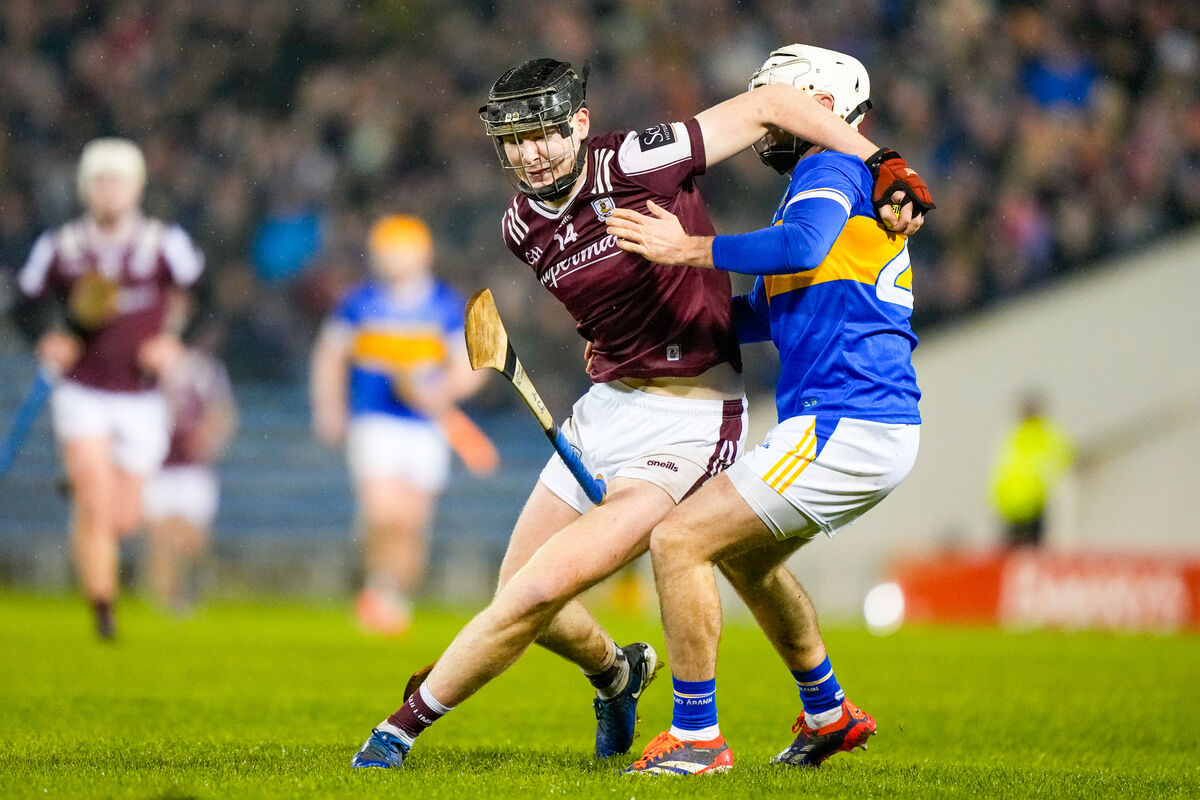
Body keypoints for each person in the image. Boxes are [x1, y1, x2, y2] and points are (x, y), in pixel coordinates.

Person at [351, 56, 930, 770]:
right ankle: (623, 675)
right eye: (516, 140)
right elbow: (744, 310)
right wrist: (621, 344)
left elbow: (770, 114)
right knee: (527, 597)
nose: (532, 154)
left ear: (580, 126)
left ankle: (402, 728)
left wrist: (883, 161)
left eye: (547, 134)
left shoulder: (641, 159)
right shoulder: (518, 226)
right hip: (608, 408)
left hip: (695, 421)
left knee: (615, 564)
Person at [602, 44, 929, 774]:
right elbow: (774, 307)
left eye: (776, 101)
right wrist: (665, 326)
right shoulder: (843, 178)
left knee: (678, 541)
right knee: (747, 560)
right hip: (861, 422)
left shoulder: (831, 167)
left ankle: (696, 739)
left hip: (849, 419)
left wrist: (690, 250)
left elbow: (801, 245)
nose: (762, 121)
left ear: (820, 103)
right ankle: (829, 712)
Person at [11, 137, 204, 639]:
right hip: (83, 390)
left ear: (137, 187)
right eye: (100, 180)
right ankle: (103, 610)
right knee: (96, 503)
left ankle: (83, 487)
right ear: (85, 188)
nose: (109, 191)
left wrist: (173, 340)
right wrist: (46, 338)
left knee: (121, 519)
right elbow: (23, 302)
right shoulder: (63, 247)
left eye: (118, 180)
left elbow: (206, 297)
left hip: (142, 397)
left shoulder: (164, 244)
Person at [311, 214, 496, 636]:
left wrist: (440, 391)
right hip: (373, 420)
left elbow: (473, 367)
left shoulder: (445, 305)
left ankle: (396, 597)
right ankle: (376, 589)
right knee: (381, 511)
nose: (392, 259)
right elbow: (329, 356)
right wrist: (329, 408)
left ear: (423, 254)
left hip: (425, 426)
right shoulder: (358, 303)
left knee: (412, 520)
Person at [142, 343, 237, 614]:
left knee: (192, 539)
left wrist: (210, 439)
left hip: (194, 468)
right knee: (161, 537)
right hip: (156, 465)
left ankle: (187, 593)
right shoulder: (152, 361)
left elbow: (223, 411)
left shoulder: (206, 369)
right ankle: (164, 603)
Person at [989, 392, 1074, 547]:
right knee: (1010, 552)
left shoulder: (1047, 434)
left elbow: (1067, 457)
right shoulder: (1012, 434)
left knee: (1033, 551)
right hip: (1009, 506)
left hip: (1035, 505)